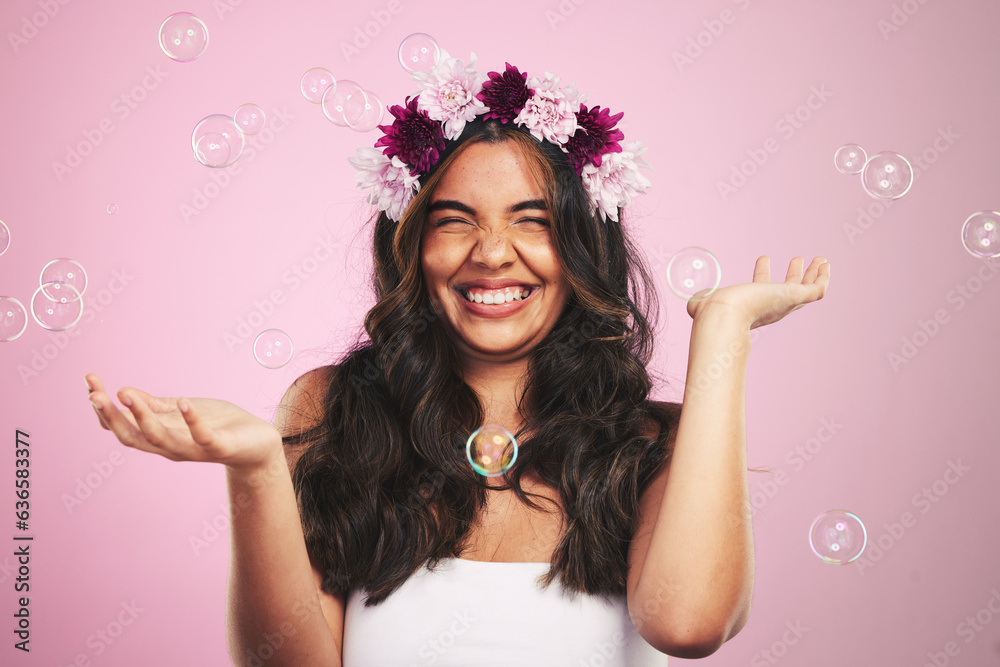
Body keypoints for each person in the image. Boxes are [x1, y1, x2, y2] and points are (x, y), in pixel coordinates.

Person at [85, 53, 830, 666]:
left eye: (533, 222)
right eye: (454, 220)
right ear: (411, 244)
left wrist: (724, 334)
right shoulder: (331, 409)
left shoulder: (653, 443)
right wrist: (254, 469)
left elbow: (689, 622)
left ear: (583, 247)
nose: (492, 254)